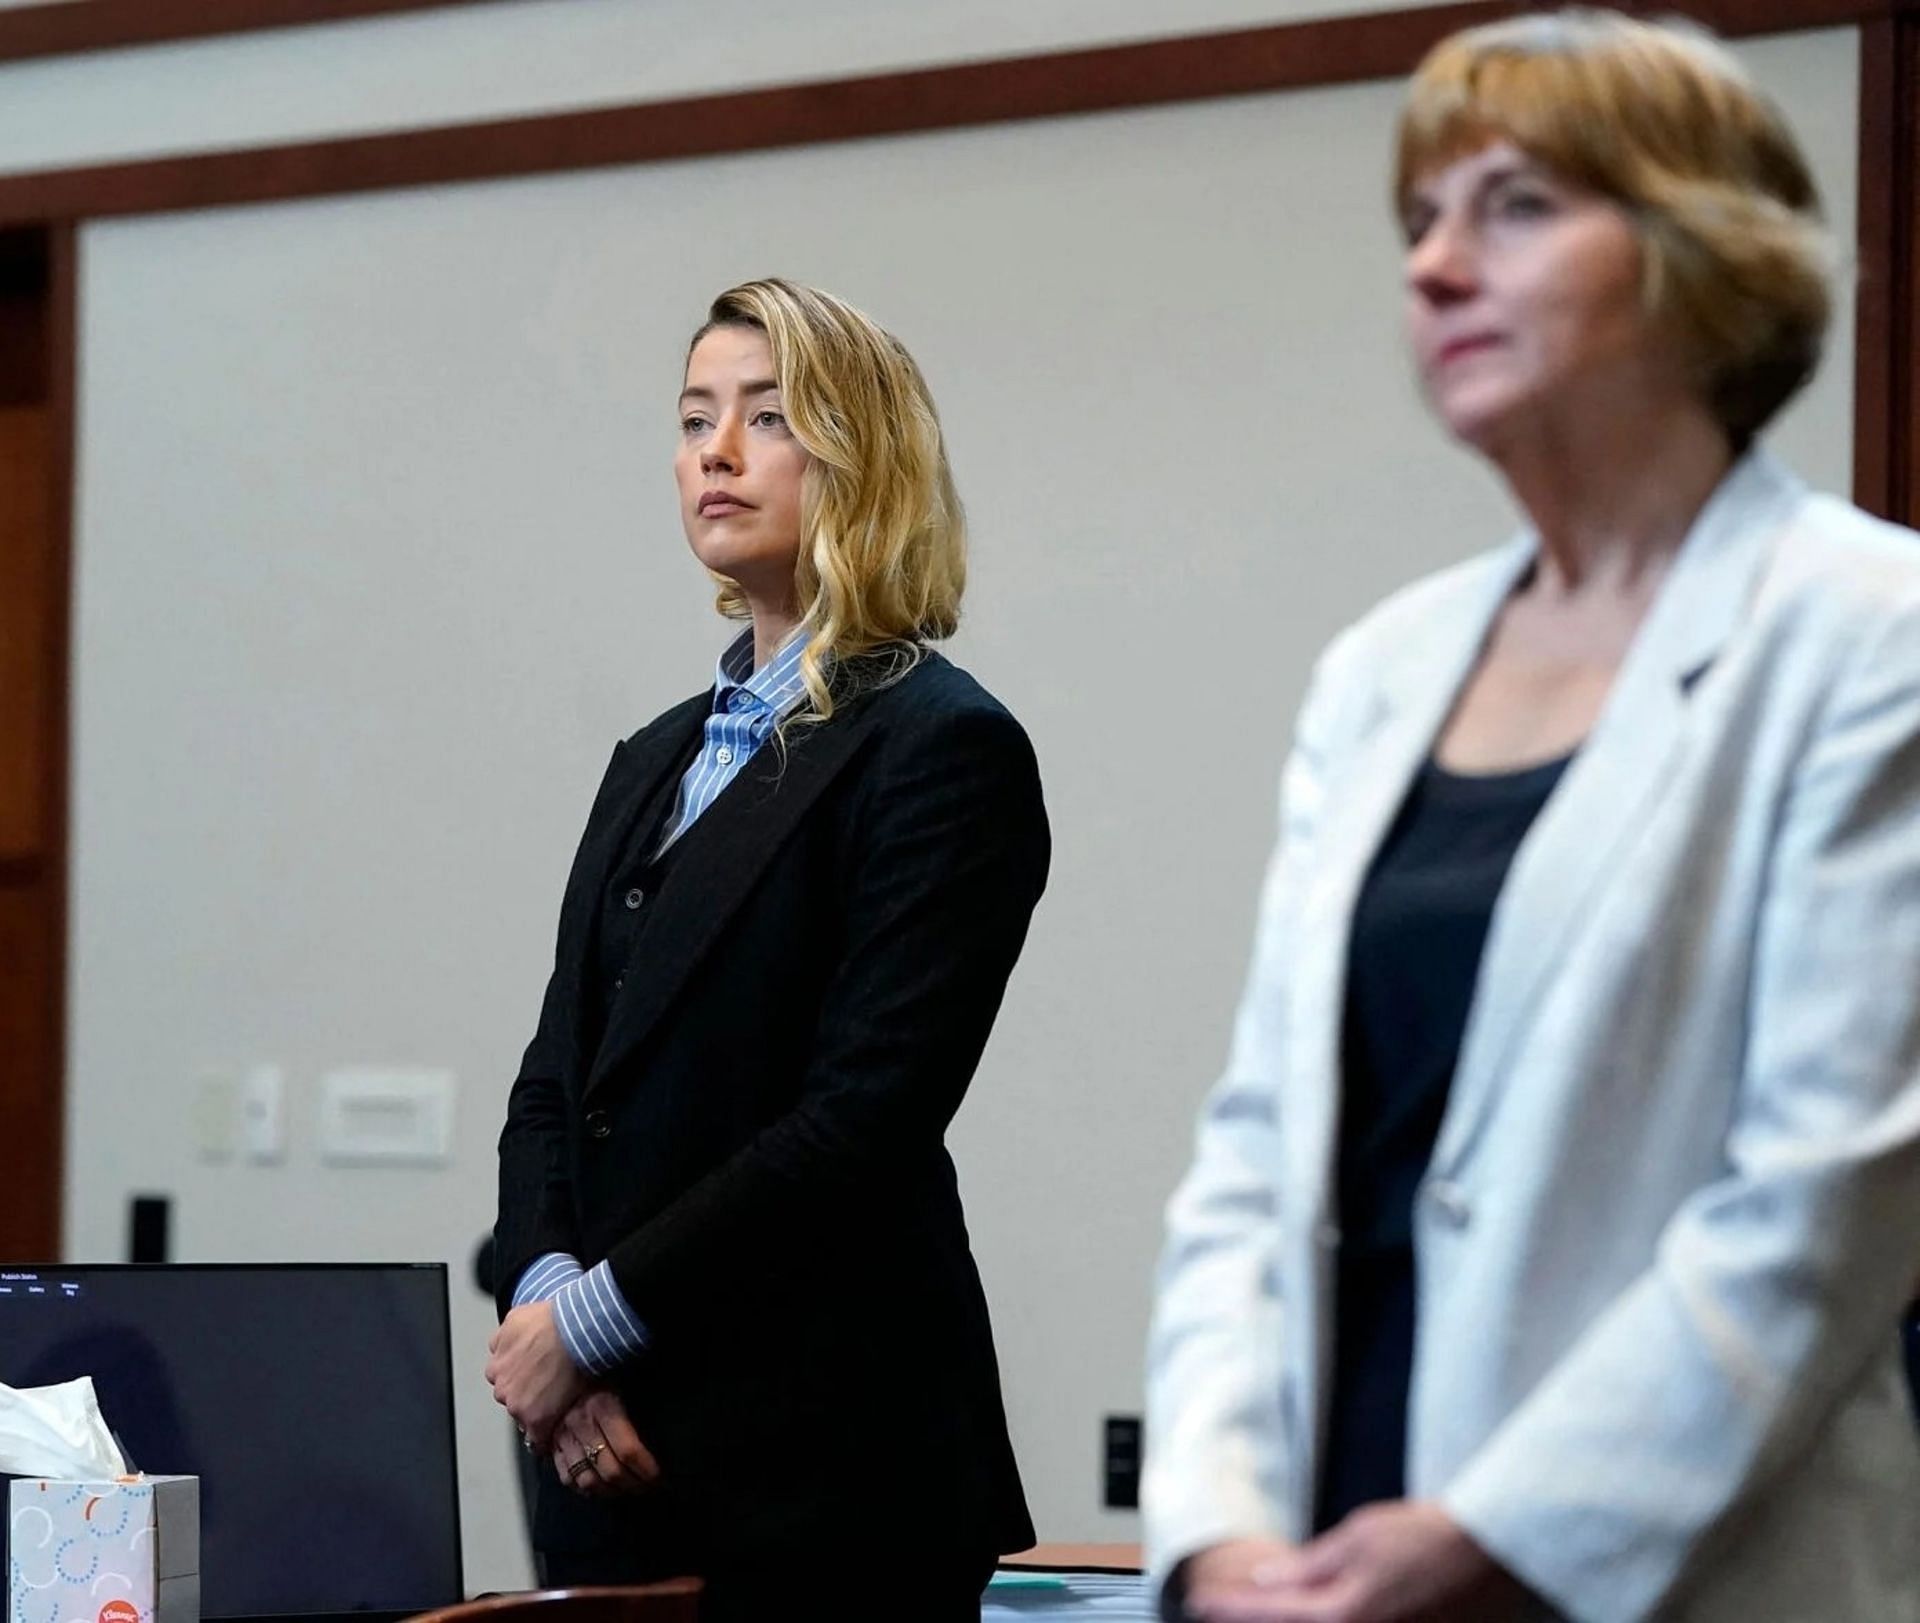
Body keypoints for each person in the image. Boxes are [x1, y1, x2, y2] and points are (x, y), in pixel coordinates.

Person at [1144, 12, 1920, 1622]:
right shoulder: (1380, 671)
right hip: (1318, 1562)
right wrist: (1212, 1533)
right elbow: (1252, 1164)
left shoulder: (1867, 630)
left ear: (1700, 251)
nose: (1433, 266)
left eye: (1514, 206)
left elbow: (1827, 1199)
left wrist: (1503, 1538)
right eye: (1420, 220)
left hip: (1673, 1571)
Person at [485, 278, 1046, 1620]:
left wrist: (591, 1324)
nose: (715, 454)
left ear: (862, 457)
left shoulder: (941, 747)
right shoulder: (651, 758)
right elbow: (556, 1087)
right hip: (608, 1456)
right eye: (693, 420)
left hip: (829, 1473)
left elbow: (861, 1124)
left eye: (766, 418)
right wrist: (548, 1299)